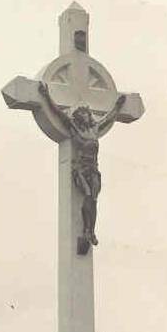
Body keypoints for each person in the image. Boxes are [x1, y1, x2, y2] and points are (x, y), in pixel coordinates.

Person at [39, 81, 125, 248]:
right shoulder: (74, 128)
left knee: (93, 198)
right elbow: (58, 113)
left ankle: (91, 231)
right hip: (80, 169)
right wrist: (46, 96)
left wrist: (118, 105)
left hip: (94, 169)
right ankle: (86, 230)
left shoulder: (94, 130)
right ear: (78, 117)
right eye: (83, 113)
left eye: (87, 113)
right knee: (86, 195)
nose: (87, 115)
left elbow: (109, 118)